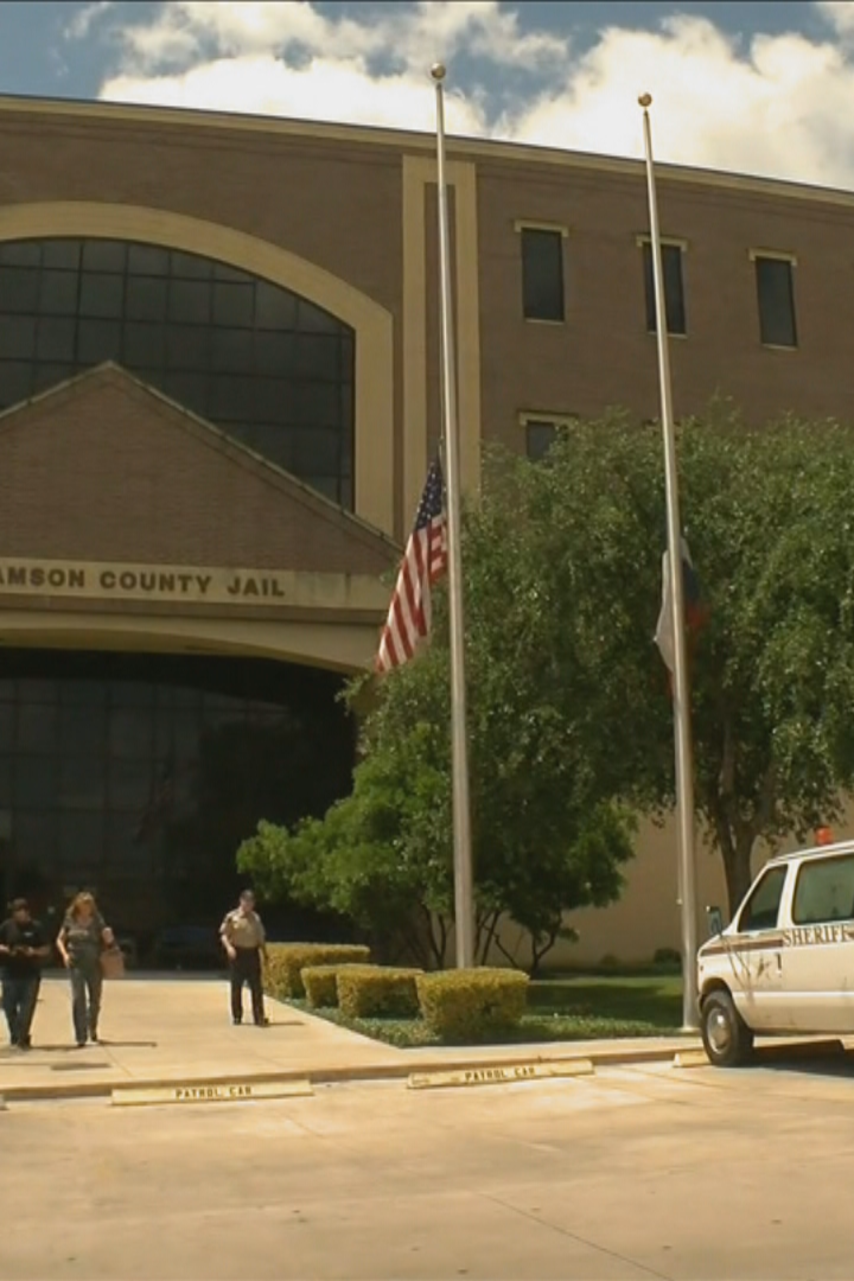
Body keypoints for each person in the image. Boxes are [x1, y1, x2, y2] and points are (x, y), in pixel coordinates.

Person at [55, 891, 115, 1047]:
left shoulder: (97, 920)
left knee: (95, 999)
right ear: (78, 905)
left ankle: (92, 1027)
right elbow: (60, 940)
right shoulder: (70, 919)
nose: (86, 908)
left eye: (89, 905)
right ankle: (80, 1035)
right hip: (76, 963)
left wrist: (109, 938)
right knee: (78, 999)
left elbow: (108, 941)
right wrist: (65, 955)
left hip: (94, 964)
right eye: (84, 905)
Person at [0, 898, 51, 1050]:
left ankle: (22, 1038)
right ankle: (16, 1034)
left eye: (22, 912)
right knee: (9, 1007)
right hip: (9, 972)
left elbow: (47, 948)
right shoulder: (6, 926)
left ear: (27, 912)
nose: (19, 916)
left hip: (30, 974)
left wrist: (32, 951)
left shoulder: (36, 927)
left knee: (26, 1009)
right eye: (16, 913)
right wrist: (8, 950)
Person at [220, 890, 269, 1027]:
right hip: (238, 954)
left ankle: (259, 1016)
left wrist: (264, 953)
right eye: (247, 902)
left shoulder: (256, 918)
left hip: (252, 954)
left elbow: (261, 938)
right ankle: (237, 1015)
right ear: (241, 901)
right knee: (236, 987)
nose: (249, 905)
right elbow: (223, 935)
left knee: (256, 987)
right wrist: (229, 948)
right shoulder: (232, 917)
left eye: (251, 902)